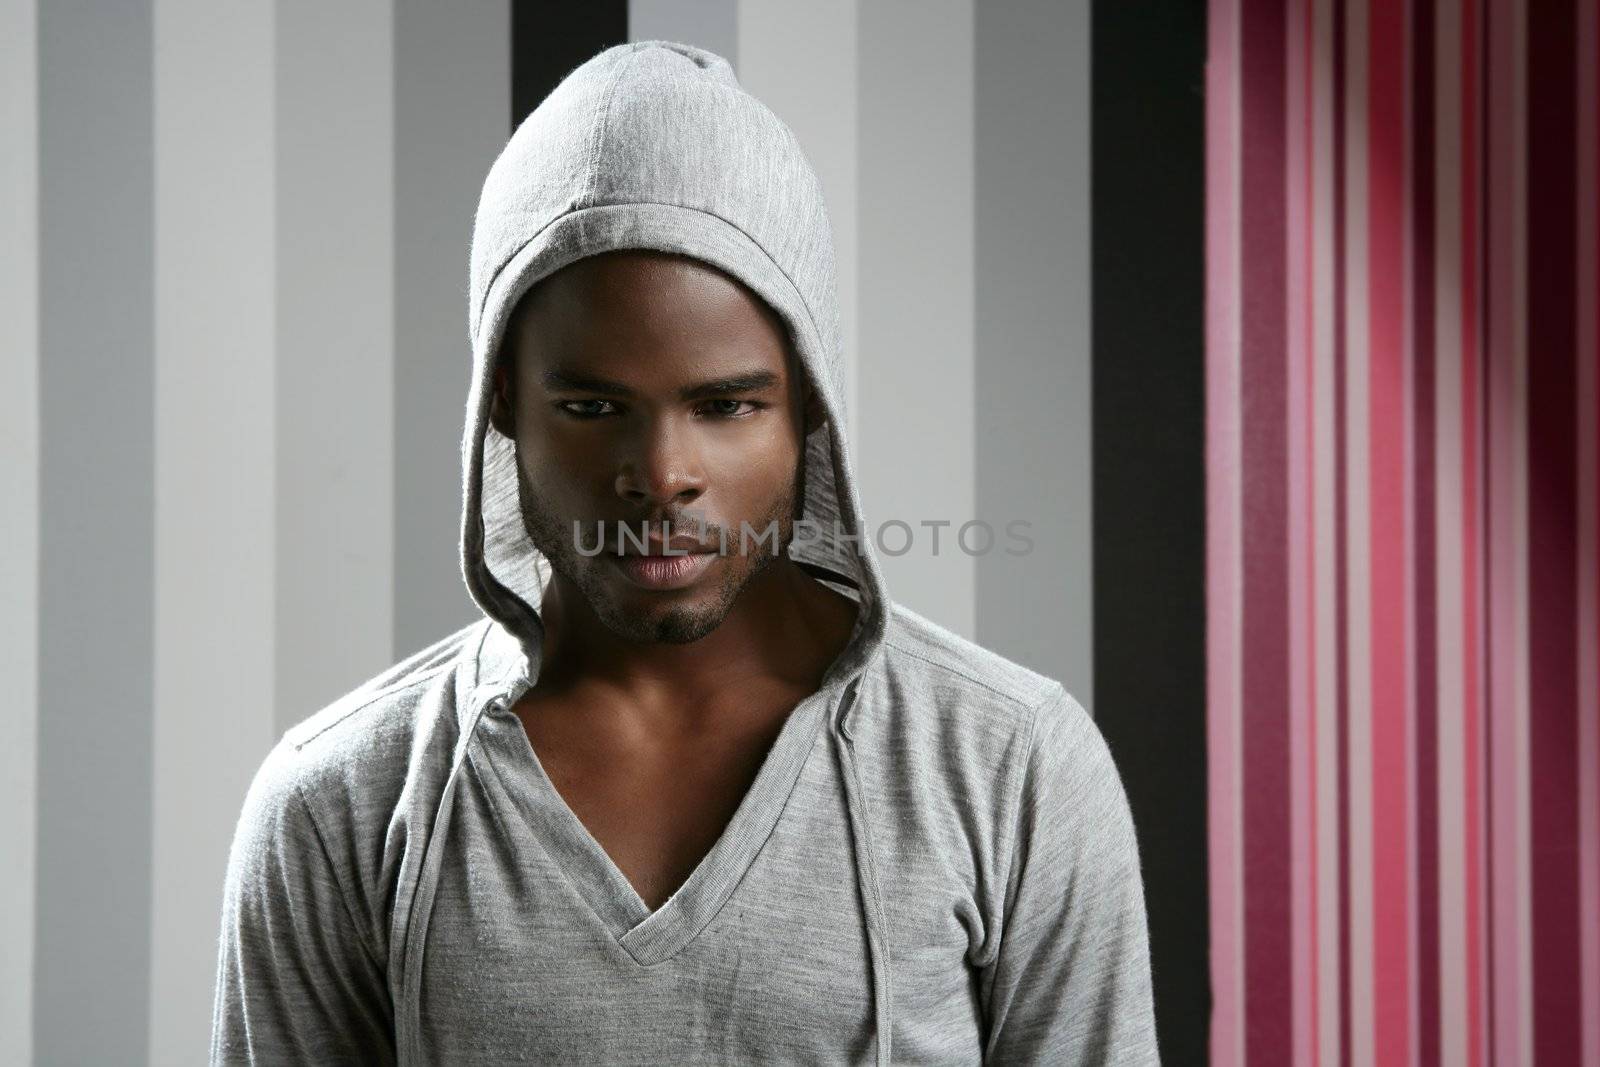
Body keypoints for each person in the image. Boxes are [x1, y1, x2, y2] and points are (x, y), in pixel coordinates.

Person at [210, 40, 1159, 1066]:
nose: (659, 473)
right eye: (589, 405)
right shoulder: (342, 797)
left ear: (807, 407)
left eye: (724, 405)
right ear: (499, 406)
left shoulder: (1010, 765)